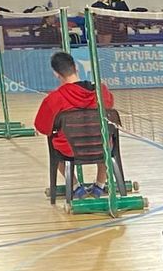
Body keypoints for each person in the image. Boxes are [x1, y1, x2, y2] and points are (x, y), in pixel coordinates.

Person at [32, 50, 115, 198]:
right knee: (105, 138)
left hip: (70, 150)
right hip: (101, 146)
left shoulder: (54, 98)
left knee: (54, 145)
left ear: (56, 74)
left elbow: (42, 127)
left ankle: (75, 187)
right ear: (76, 67)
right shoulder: (101, 91)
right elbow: (109, 108)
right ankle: (100, 185)